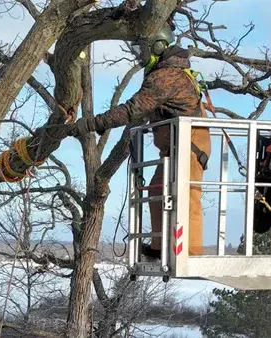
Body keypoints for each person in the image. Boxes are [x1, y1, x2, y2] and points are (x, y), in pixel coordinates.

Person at [66, 22, 211, 259]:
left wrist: (93, 124)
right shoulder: (164, 72)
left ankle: (190, 254)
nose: (138, 55)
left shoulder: (167, 76)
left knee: (187, 195)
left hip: (190, 143)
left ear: (158, 46)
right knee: (156, 191)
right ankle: (159, 247)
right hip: (175, 145)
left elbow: (133, 109)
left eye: (141, 49)